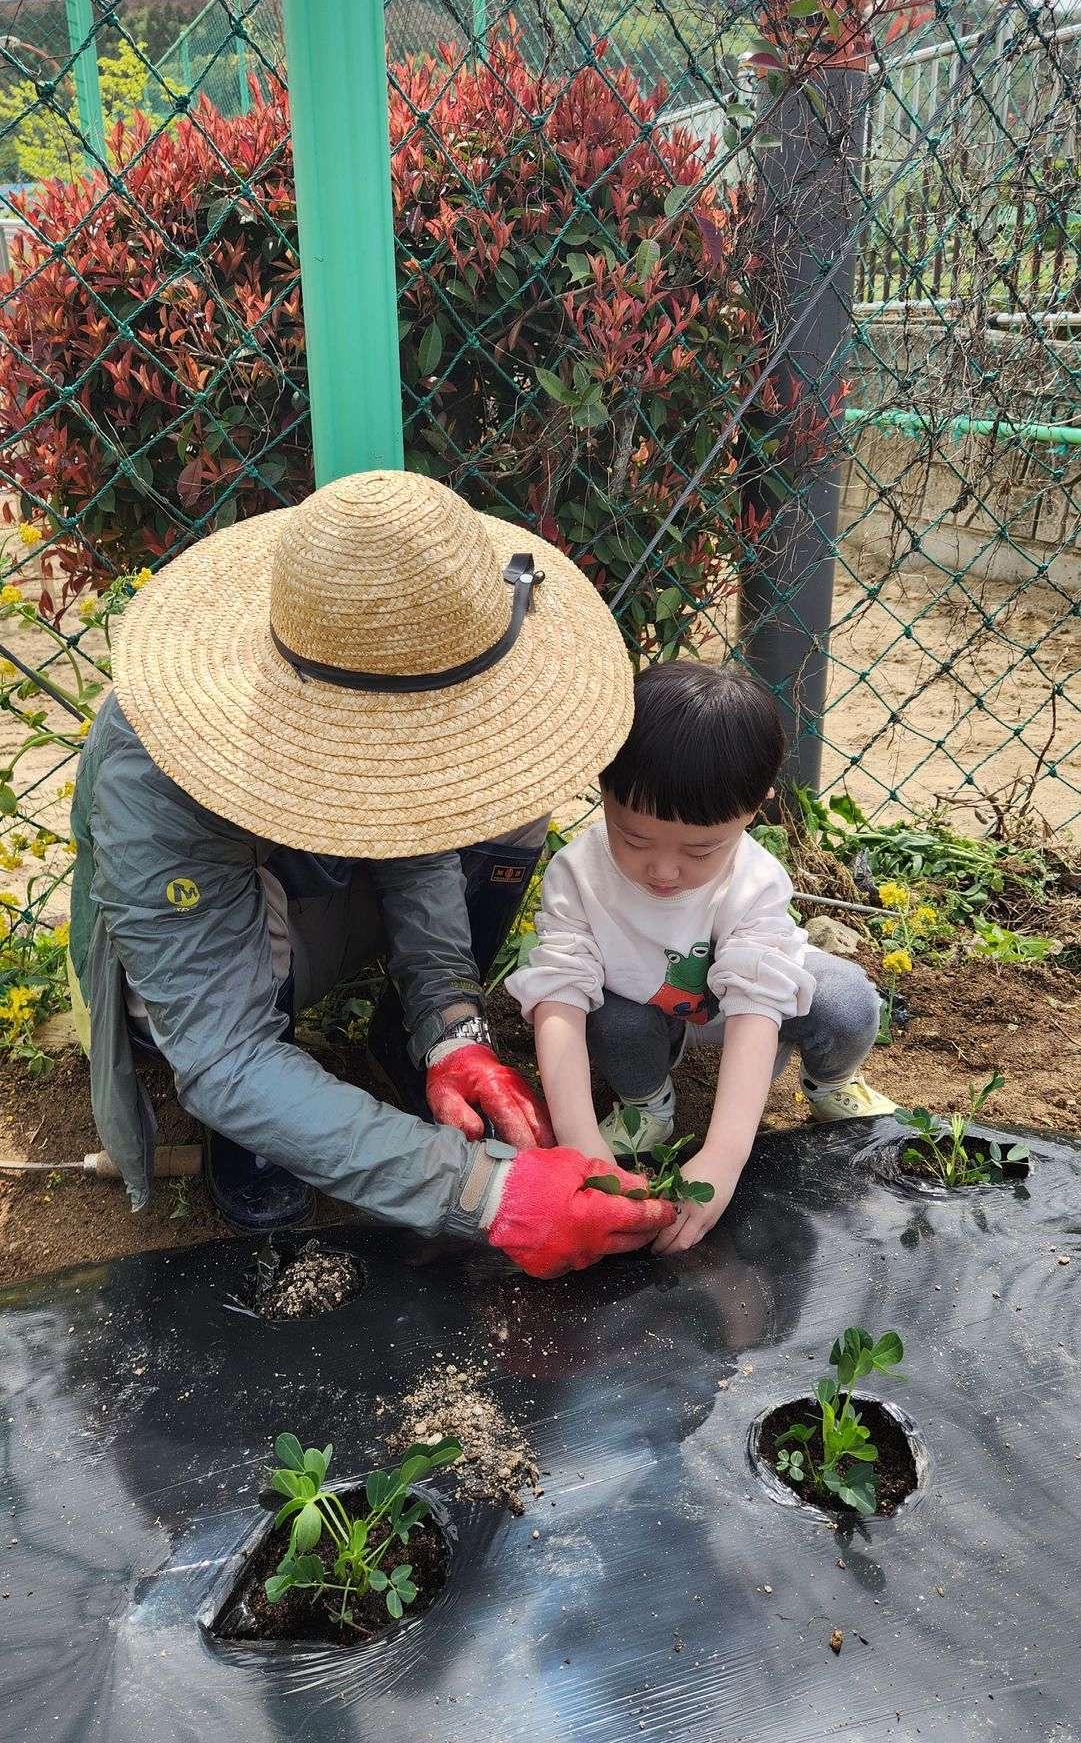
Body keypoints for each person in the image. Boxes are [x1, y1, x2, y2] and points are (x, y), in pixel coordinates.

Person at [67, 470, 674, 1275]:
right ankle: (264, 1120)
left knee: (501, 803)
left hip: (321, 902)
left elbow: (414, 822)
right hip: (208, 967)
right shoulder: (156, 766)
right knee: (236, 1027)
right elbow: (219, 1047)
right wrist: (486, 1193)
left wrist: (450, 1021)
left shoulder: (406, 679)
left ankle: (412, 1043)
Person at [505, 661, 894, 1255]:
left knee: (845, 1000)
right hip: (646, 1006)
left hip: (747, 1009)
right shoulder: (577, 874)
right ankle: (646, 1103)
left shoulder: (756, 880)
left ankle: (830, 1082)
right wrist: (578, 1139)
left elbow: (757, 1004)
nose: (664, 869)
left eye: (701, 850)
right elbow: (559, 994)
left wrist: (723, 1156)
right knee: (607, 1017)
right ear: (602, 788)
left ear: (755, 808)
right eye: (633, 838)